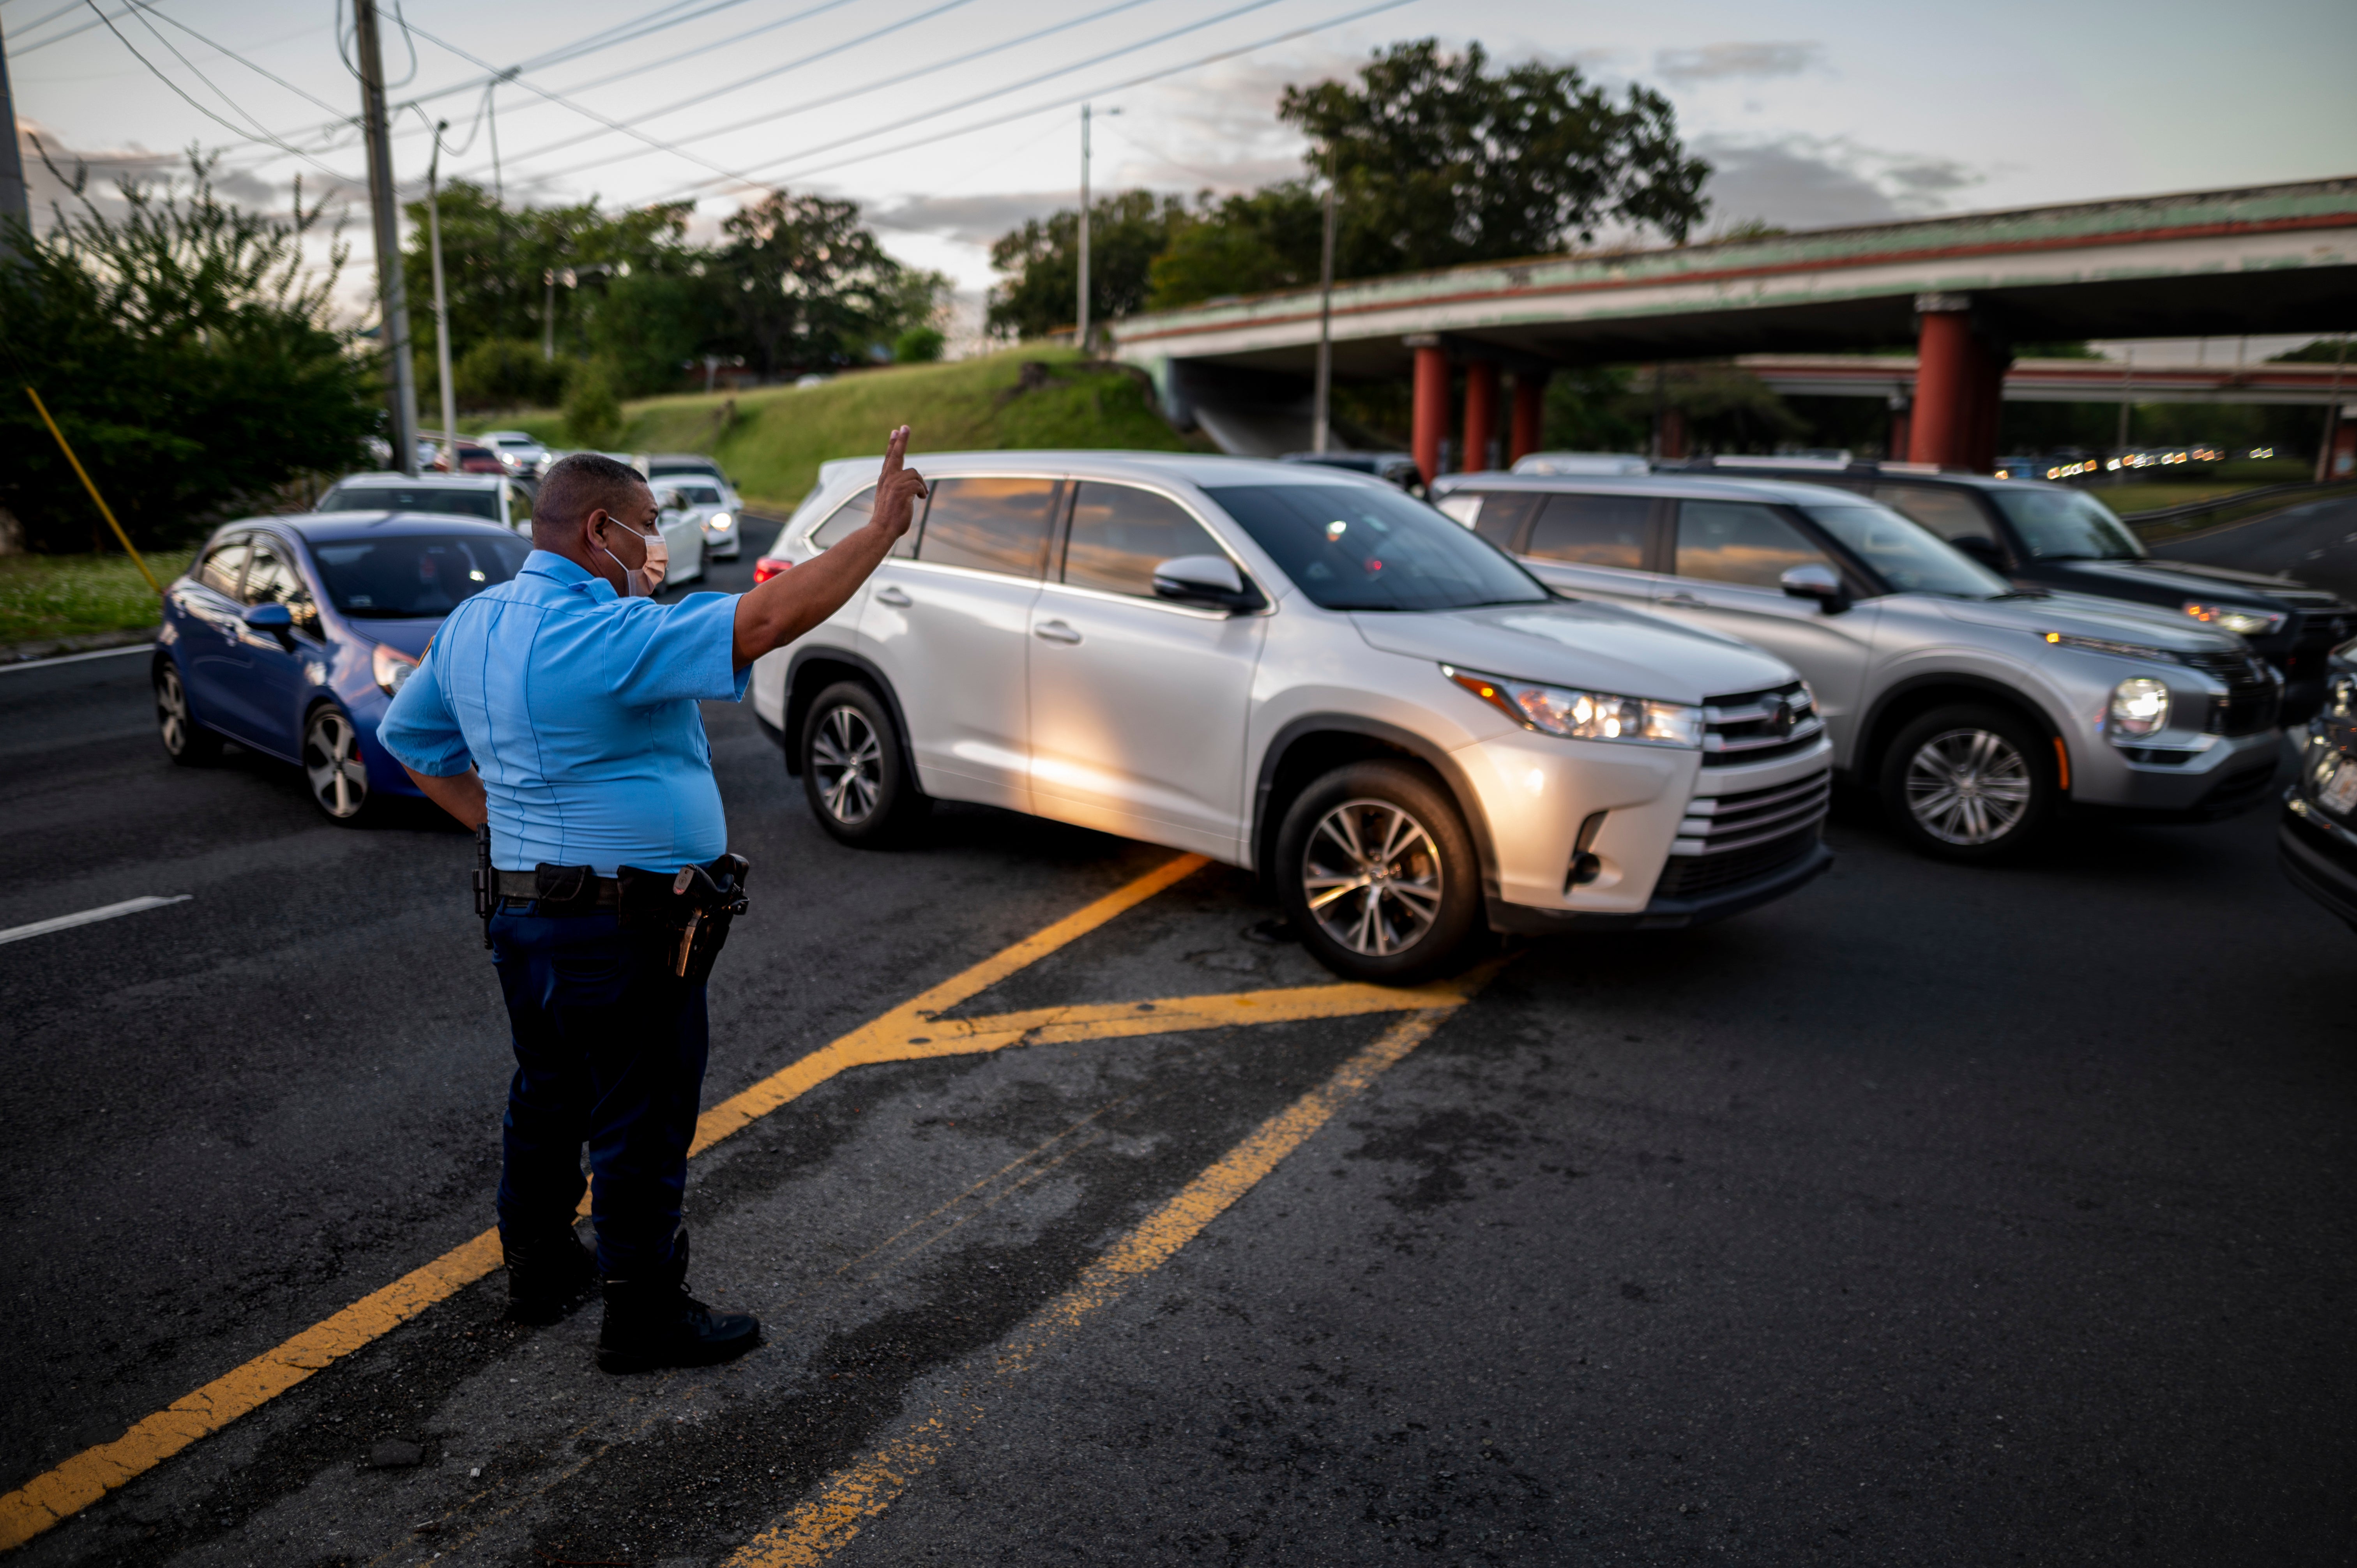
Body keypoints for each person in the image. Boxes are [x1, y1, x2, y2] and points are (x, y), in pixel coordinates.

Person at [378, 433, 928, 1372]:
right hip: (622, 923)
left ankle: (541, 1268)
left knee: (547, 1094)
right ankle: (643, 1313)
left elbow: (412, 738)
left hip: (524, 913)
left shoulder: (473, 623)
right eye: (648, 527)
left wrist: (503, 829)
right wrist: (879, 532)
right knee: (641, 1109)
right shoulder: (607, 633)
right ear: (602, 530)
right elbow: (761, 620)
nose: (657, 545)